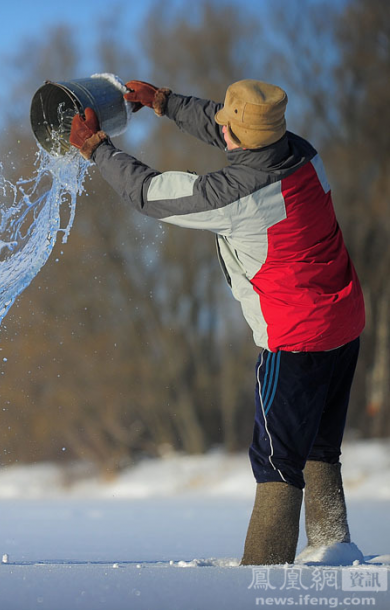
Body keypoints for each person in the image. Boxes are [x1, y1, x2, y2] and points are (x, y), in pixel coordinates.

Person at [69, 79, 365, 565]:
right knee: (319, 446)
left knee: (277, 461)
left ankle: (262, 575)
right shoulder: (302, 153)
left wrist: (98, 149)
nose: (221, 128)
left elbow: (148, 193)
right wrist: (164, 103)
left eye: (228, 125)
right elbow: (229, 131)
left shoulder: (242, 195)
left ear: (238, 136)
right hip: (343, 323)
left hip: (296, 340)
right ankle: (334, 548)